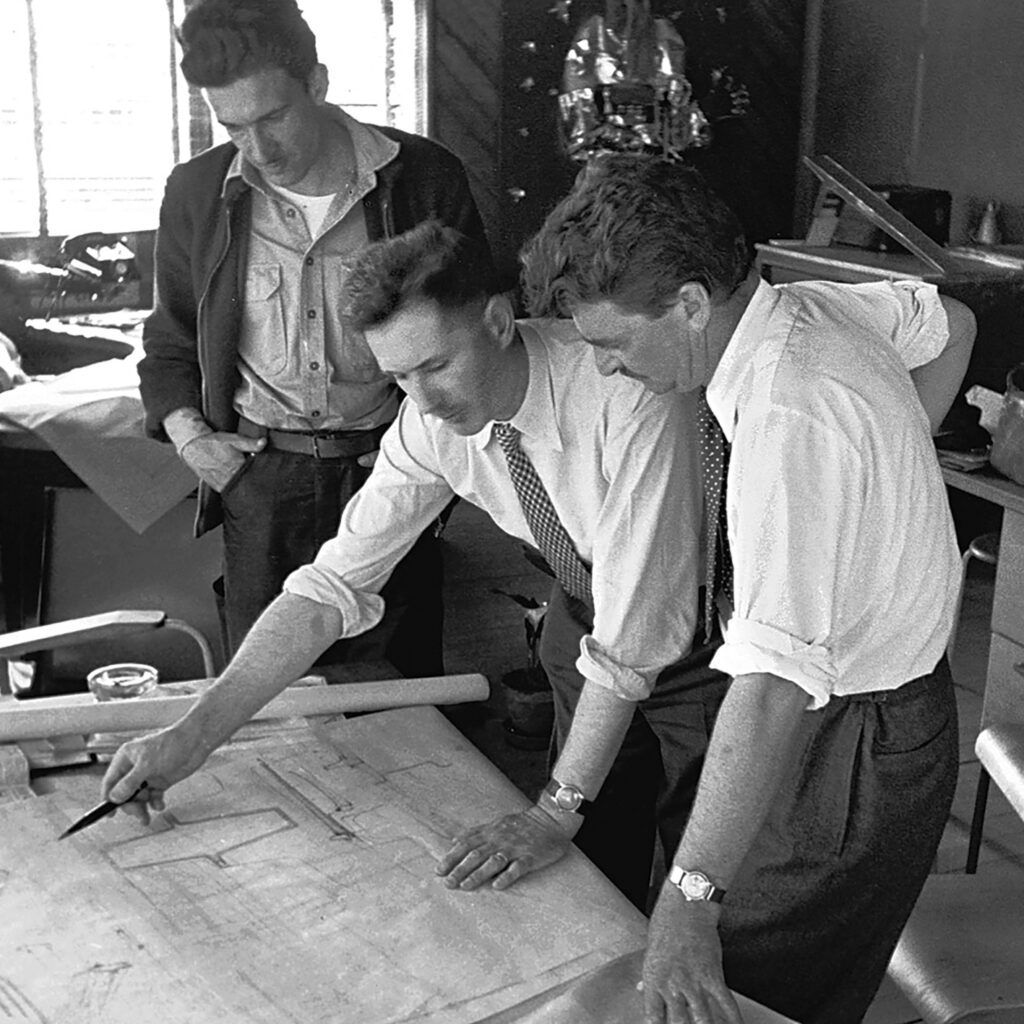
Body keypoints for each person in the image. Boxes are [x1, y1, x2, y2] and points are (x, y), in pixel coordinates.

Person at [102, 218, 721, 908]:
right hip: (586, 615)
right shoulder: (427, 423)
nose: (424, 400)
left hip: (702, 634)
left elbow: (640, 625)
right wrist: (195, 733)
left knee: (704, 875)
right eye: (399, 377)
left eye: (435, 365)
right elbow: (330, 587)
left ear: (496, 320)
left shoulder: (624, 390)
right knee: (589, 862)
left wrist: (551, 810)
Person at [519, 156, 977, 1024]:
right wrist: (876, 478)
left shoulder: (787, 412)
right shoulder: (803, 310)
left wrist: (689, 900)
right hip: (843, 710)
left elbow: (767, 692)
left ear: (691, 303)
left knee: (733, 993)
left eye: (613, 343)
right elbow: (947, 321)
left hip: (860, 738)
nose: (608, 372)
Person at [139, 0, 492, 677]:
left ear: (319, 84)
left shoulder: (423, 178)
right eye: (234, 127)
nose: (260, 151)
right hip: (260, 478)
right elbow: (170, 342)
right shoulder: (196, 193)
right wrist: (194, 439)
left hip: (388, 470)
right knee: (267, 697)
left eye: (273, 118)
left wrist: (436, 459)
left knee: (401, 705)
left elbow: (474, 336)